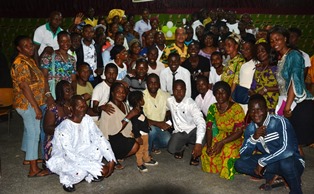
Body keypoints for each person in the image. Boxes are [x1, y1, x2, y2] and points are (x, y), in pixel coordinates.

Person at [234, 94, 305, 193]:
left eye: (259, 109)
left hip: (292, 161)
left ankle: (296, 189)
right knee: (239, 164)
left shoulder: (280, 122)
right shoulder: (250, 128)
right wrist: (254, 138)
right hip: (271, 162)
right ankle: (277, 176)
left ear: (266, 109)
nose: (256, 113)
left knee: (286, 163)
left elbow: (288, 150)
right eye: (252, 110)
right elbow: (244, 155)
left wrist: (263, 162)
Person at [46, 95, 116, 192]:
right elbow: (69, 154)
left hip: (82, 152)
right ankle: (67, 180)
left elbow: (99, 138)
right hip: (65, 158)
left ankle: (90, 174)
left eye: (84, 106)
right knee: (80, 172)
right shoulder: (65, 127)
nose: (83, 109)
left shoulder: (87, 119)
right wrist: (97, 167)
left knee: (98, 148)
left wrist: (111, 159)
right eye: (80, 107)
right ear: (71, 108)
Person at [268, 26, 314, 156]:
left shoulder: (294, 55)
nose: (274, 43)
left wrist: (287, 106)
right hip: (286, 100)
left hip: (297, 102)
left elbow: (295, 80)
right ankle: (290, 171)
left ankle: (290, 171)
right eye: (271, 40)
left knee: (291, 141)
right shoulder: (282, 57)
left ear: (285, 39)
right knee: (291, 142)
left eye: (278, 39)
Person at [11, 35, 49, 177]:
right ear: (19, 48)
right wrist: (36, 107)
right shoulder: (20, 63)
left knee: (29, 131)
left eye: (31, 44)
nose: (30, 47)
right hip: (28, 104)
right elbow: (24, 87)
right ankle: (33, 168)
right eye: (26, 46)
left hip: (31, 102)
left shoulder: (29, 60)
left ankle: (29, 158)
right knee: (34, 133)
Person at [201, 81, 245, 179]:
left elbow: (239, 132)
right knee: (206, 151)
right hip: (221, 135)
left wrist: (222, 143)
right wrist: (208, 145)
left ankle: (230, 170)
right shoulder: (213, 107)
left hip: (235, 138)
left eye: (223, 92)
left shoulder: (236, 108)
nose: (220, 95)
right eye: (217, 92)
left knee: (228, 149)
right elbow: (209, 128)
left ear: (228, 94)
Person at [99, 82, 139, 169]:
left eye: (123, 92)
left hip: (121, 134)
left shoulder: (124, 105)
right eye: (118, 92)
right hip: (110, 138)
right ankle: (113, 157)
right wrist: (129, 115)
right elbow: (115, 130)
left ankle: (119, 155)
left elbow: (129, 124)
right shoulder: (109, 108)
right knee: (135, 145)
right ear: (112, 93)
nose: (121, 94)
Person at [167, 80, 205, 165]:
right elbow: (163, 109)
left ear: (185, 90)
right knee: (171, 149)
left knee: (203, 135)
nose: (179, 93)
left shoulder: (191, 104)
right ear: (173, 91)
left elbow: (200, 121)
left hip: (192, 131)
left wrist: (198, 143)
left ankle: (195, 155)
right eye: (176, 90)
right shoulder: (169, 101)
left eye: (181, 90)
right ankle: (182, 147)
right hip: (180, 132)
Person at [40, 31, 77, 100]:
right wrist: (48, 95)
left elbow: (73, 79)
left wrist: (73, 93)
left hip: (67, 95)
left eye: (68, 41)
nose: (66, 43)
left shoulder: (72, 59)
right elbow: (43, 77)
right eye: (62, 41)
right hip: (52, 93)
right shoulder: (48, 56)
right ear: (58, 41)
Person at [43, 80, 73, 163]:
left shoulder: (72, 105)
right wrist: (64, 129)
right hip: (55, 142)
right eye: (67, 90)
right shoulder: (53, 108)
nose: (71, 92)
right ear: (60, 93)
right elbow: (47, 128)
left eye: (71, 89)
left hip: (69, 140)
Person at [128, 91, 158, 172]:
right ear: (138, 101)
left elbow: (143, 120)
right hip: (140, 134)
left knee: (146, 147)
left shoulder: (140, 110)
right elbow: (135, 126)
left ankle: (146, 159)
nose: (143, 100)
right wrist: (137, 137)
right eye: (142, 99)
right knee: (140, 149)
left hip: (145, 133)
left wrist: (147, 126)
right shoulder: (134, 113)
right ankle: (140, 163)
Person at [143, 73, 171, 154]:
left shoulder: (165, 95)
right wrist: (159, 124)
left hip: (161, 127)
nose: (153, 85)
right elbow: (141, 118)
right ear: (146, 84)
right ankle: (145, 152)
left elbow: (171, 111)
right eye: (150, 83)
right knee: (152, 131)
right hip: (147, 127)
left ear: (159, 84)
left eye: (155, 83)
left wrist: (168, 122)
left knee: (168, 141)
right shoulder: (142, 96)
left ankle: (154, 144)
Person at [249, 42, 279, 114]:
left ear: (268, 52)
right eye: (258, 52)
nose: (260, 54)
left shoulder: (275, 69)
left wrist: (266, 89)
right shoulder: (258, 69)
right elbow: (252, 87)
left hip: (272, 106)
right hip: (259, 107)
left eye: (263, 51)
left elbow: (283, 87)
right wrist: (253, 94)